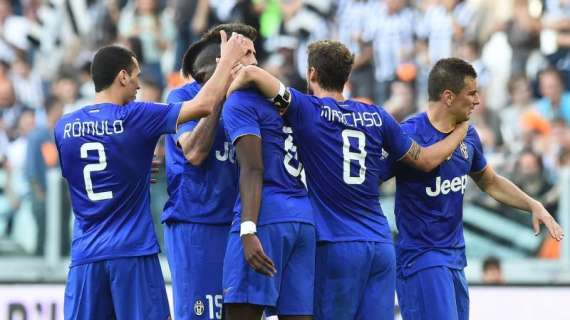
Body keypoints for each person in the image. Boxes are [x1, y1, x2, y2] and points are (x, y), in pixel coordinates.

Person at [227, 40, 469, 320]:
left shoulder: (308, 109)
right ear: (346, 77)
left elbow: (253, 75)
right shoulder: (377, 116)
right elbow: (426, 160)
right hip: (379, 246)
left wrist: (231, 90)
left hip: (335, 243)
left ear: (312, 74)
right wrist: (460, 132)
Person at [55, 32, 249, 320]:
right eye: (136, 76)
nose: (138, 85)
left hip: (85, 256)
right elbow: (203, 105)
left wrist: (131, 169)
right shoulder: (137, 115)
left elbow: (83, 175)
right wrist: (228, 62)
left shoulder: (64, 126)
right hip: (132, 252)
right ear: (122, 77)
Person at [388, 58, 564, 320]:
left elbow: (490, 181)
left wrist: (533, 204)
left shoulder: (469, 136)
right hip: (421, 260)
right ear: (448, 97)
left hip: (455, 259)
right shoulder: (408, 134)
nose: (477, 100)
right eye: (471, 93)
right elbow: (372, 179)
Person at [161, 23, 257, 320]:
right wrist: (220, 95)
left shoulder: (254, 98)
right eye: (248, 53)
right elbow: (194, 152)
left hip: (239, 227)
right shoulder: (182, 99)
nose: (256, 62)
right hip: (196, 225)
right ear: (224, 61)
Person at [221, 41, 316, 320]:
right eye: (244, 53)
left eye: (252, 53)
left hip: (264, 217)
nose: (252, 59)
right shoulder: (289, 103)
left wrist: (247, 229)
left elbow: (253, 168)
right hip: (302, 217)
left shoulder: (239, 102)